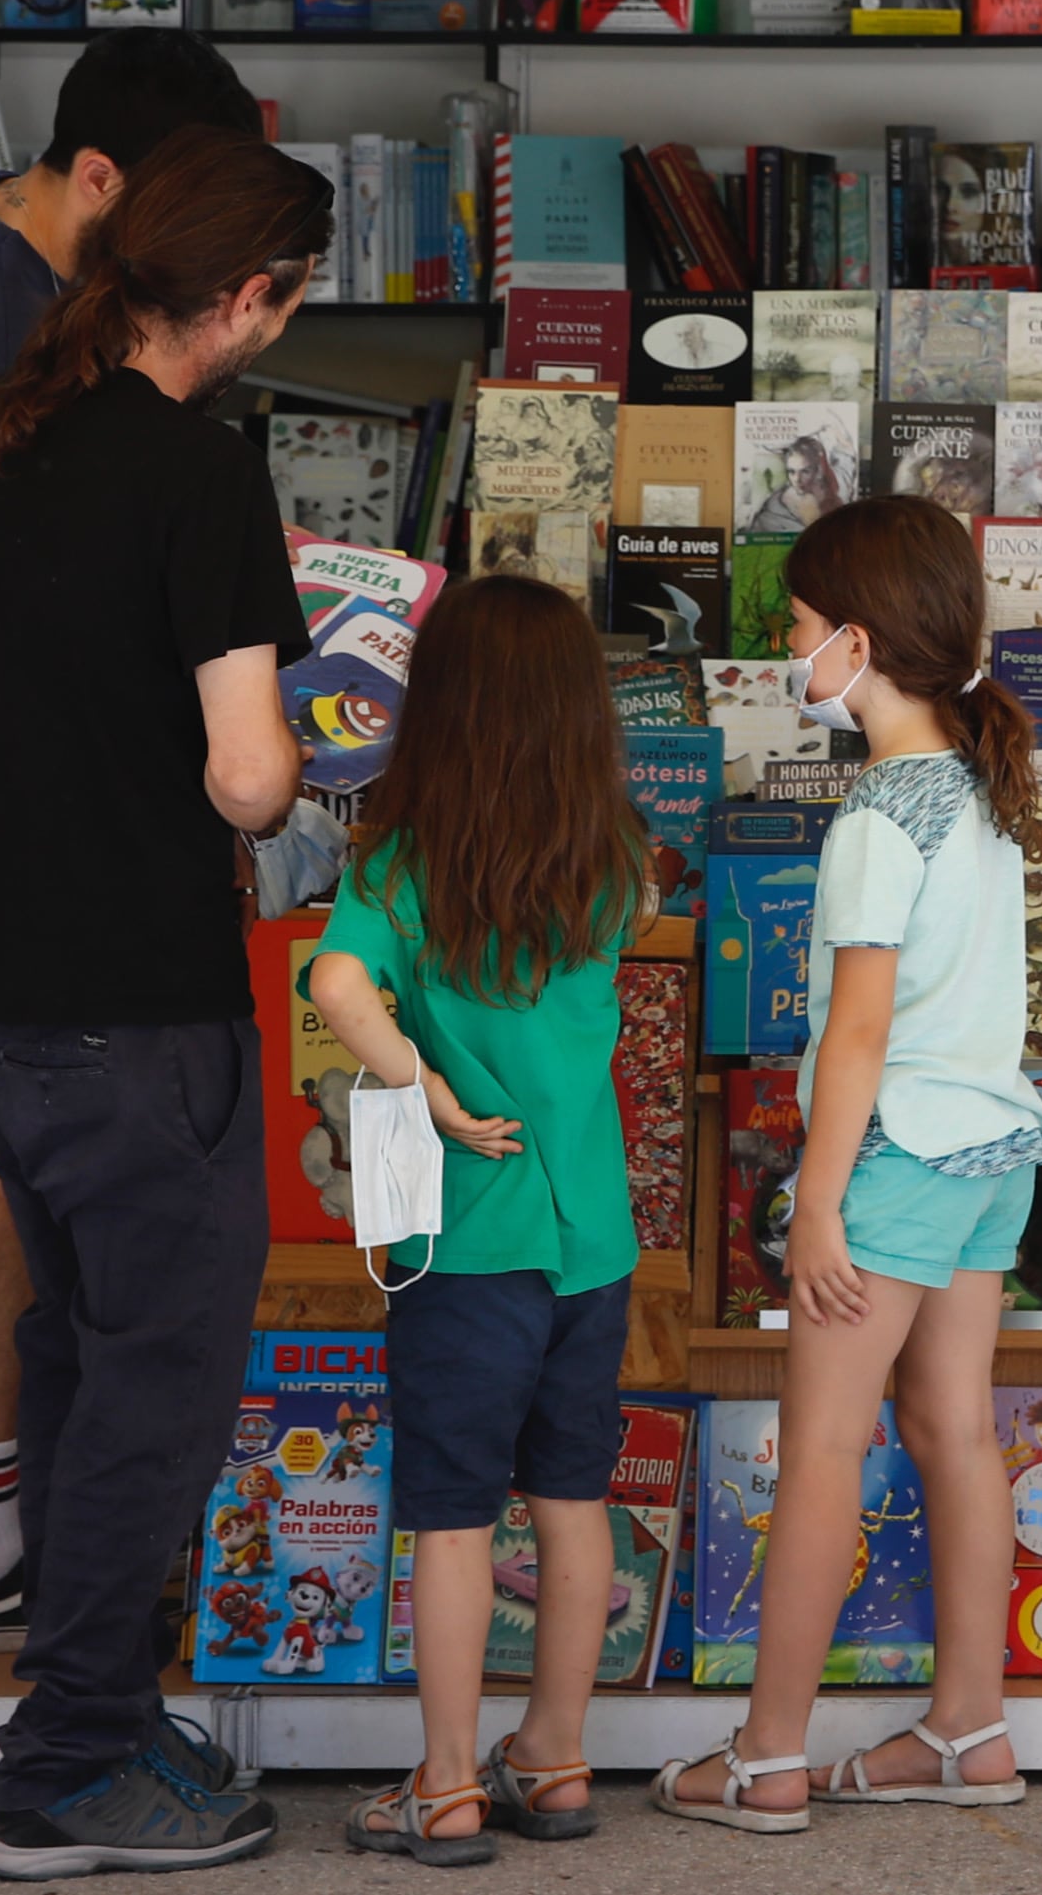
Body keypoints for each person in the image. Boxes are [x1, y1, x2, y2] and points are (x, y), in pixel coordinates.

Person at [0, 127, 329, 1878]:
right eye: (287, 294)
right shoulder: (199, 475)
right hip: (142, 997)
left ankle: (92, 1715)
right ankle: (70, 1763)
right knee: (160, 1390)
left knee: (81, 1361)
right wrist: (314, 746)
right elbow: (241, 782)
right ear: (242, 297)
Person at [0, 32, 261, 1661]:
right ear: (98, 186)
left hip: (1, 766)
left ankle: (18, 1548)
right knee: (8, 1164)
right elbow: (28, 596)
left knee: (20, 1153)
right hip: (19, 784)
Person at [654, 498, 1042, 1829]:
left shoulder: (880, 813)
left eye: (801, 628)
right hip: (994, 1151)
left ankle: (767, 1756)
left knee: (824, 1446)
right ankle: (968, 1728)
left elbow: (862, 1031)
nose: (791, 650)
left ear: (859, 641)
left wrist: (813, 1200)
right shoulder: (984, 790)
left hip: (894, 1158)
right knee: (956, 1433)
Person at [298, 574, 650, 1862]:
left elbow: (338, 977)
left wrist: (421, 1083)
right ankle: (553, 1759)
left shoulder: (403, 858)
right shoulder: (612, 859)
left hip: (466, 1240)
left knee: (451, 1515)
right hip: (590, 1237)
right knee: (570, 1499)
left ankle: (446, 1783)